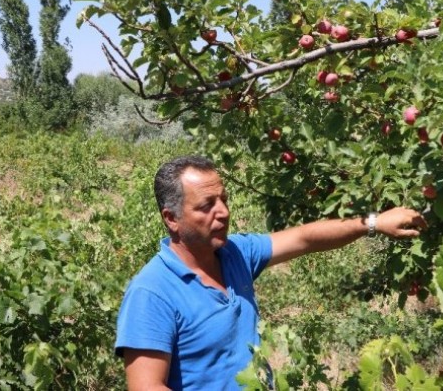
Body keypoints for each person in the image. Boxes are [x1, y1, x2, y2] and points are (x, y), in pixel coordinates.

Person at [115, 155, 426, 390]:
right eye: (207, 205)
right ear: (172, 218)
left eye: (223, 199)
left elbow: (304, 238)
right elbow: (146, 387)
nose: (223, 212)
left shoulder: (236, 254)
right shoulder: (152, 293)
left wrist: (373, 223)